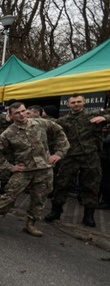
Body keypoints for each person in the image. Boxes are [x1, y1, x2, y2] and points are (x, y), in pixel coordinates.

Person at [0, 102, 69, 236]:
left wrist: (58, 153)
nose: (21, 114)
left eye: (23, 111)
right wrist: (10, 167)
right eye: (17, 113)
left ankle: (31, 224)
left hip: (44, 168)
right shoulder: (8, 133)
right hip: (24, 170)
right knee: (9, 196)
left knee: (39, 198)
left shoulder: (41, 123)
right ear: (11, 115)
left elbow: (60, 133)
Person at [45, 94, 108, 227]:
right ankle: (56, 211)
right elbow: (52, 132)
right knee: (62, 184)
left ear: (84, 102)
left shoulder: (93, 114)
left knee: (91, 186)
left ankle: (88, 215)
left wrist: (105, 118)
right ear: (68, 104)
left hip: (90, 156)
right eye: (73, 102)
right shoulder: (63, 120)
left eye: (79, 102)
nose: (76, 104)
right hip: (70, 156)